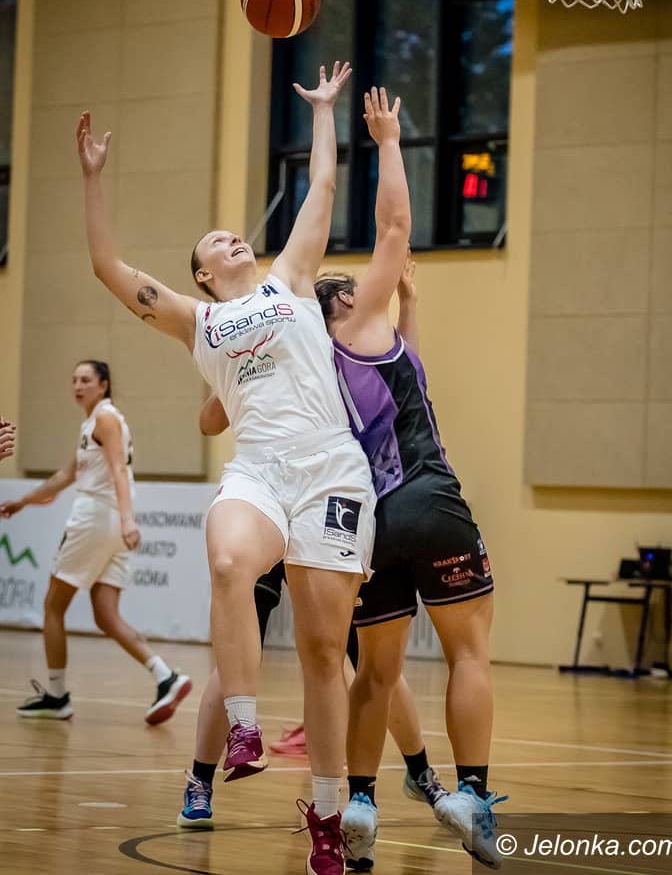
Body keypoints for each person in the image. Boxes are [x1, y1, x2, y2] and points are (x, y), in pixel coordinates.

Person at [76, 62, 376, 875]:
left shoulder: (291, 279)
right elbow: (109, 268)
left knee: (324, 652)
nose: (232, 237)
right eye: (215, 241)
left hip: (332, 471)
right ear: (204, 274)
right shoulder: (196, 320)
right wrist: (93, 180)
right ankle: (242, 725)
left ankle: (326, 812)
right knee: (227, 559)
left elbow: (322, 186)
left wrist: (324, 111)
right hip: (261, 470)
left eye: (235, 232)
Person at [314, 86, 507, 871]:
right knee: (470, 655)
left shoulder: (319, 367)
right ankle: (474, 793)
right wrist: (389, 139)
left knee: (376, 673)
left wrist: (413, 301)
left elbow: (412, 375)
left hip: (371, 526)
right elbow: (394, 224)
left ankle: (361, 801)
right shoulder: (359, 323)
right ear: (345, 305)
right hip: (430, 498)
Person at [178, 385, 443, 831]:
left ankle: (421, 773)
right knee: (236, 657)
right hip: (266, 502)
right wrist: (232, 372)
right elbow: (209, 421)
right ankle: (200, 781)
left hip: (327, 502)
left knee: (370, 662)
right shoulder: (257, 355)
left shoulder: (336, 356)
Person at [0, 360, 191, 724]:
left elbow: (119, 469)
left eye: (86, 379)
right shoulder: (93, 424)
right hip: (110, 525)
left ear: (103, 385)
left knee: (52, 606)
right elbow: (65, 475)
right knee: (106, 615)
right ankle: (166, 676)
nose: (77, 385)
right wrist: (23, 502)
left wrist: (128, 519)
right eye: (74, 379)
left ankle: (57, 695)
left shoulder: (105, 419)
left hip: (95, 519)